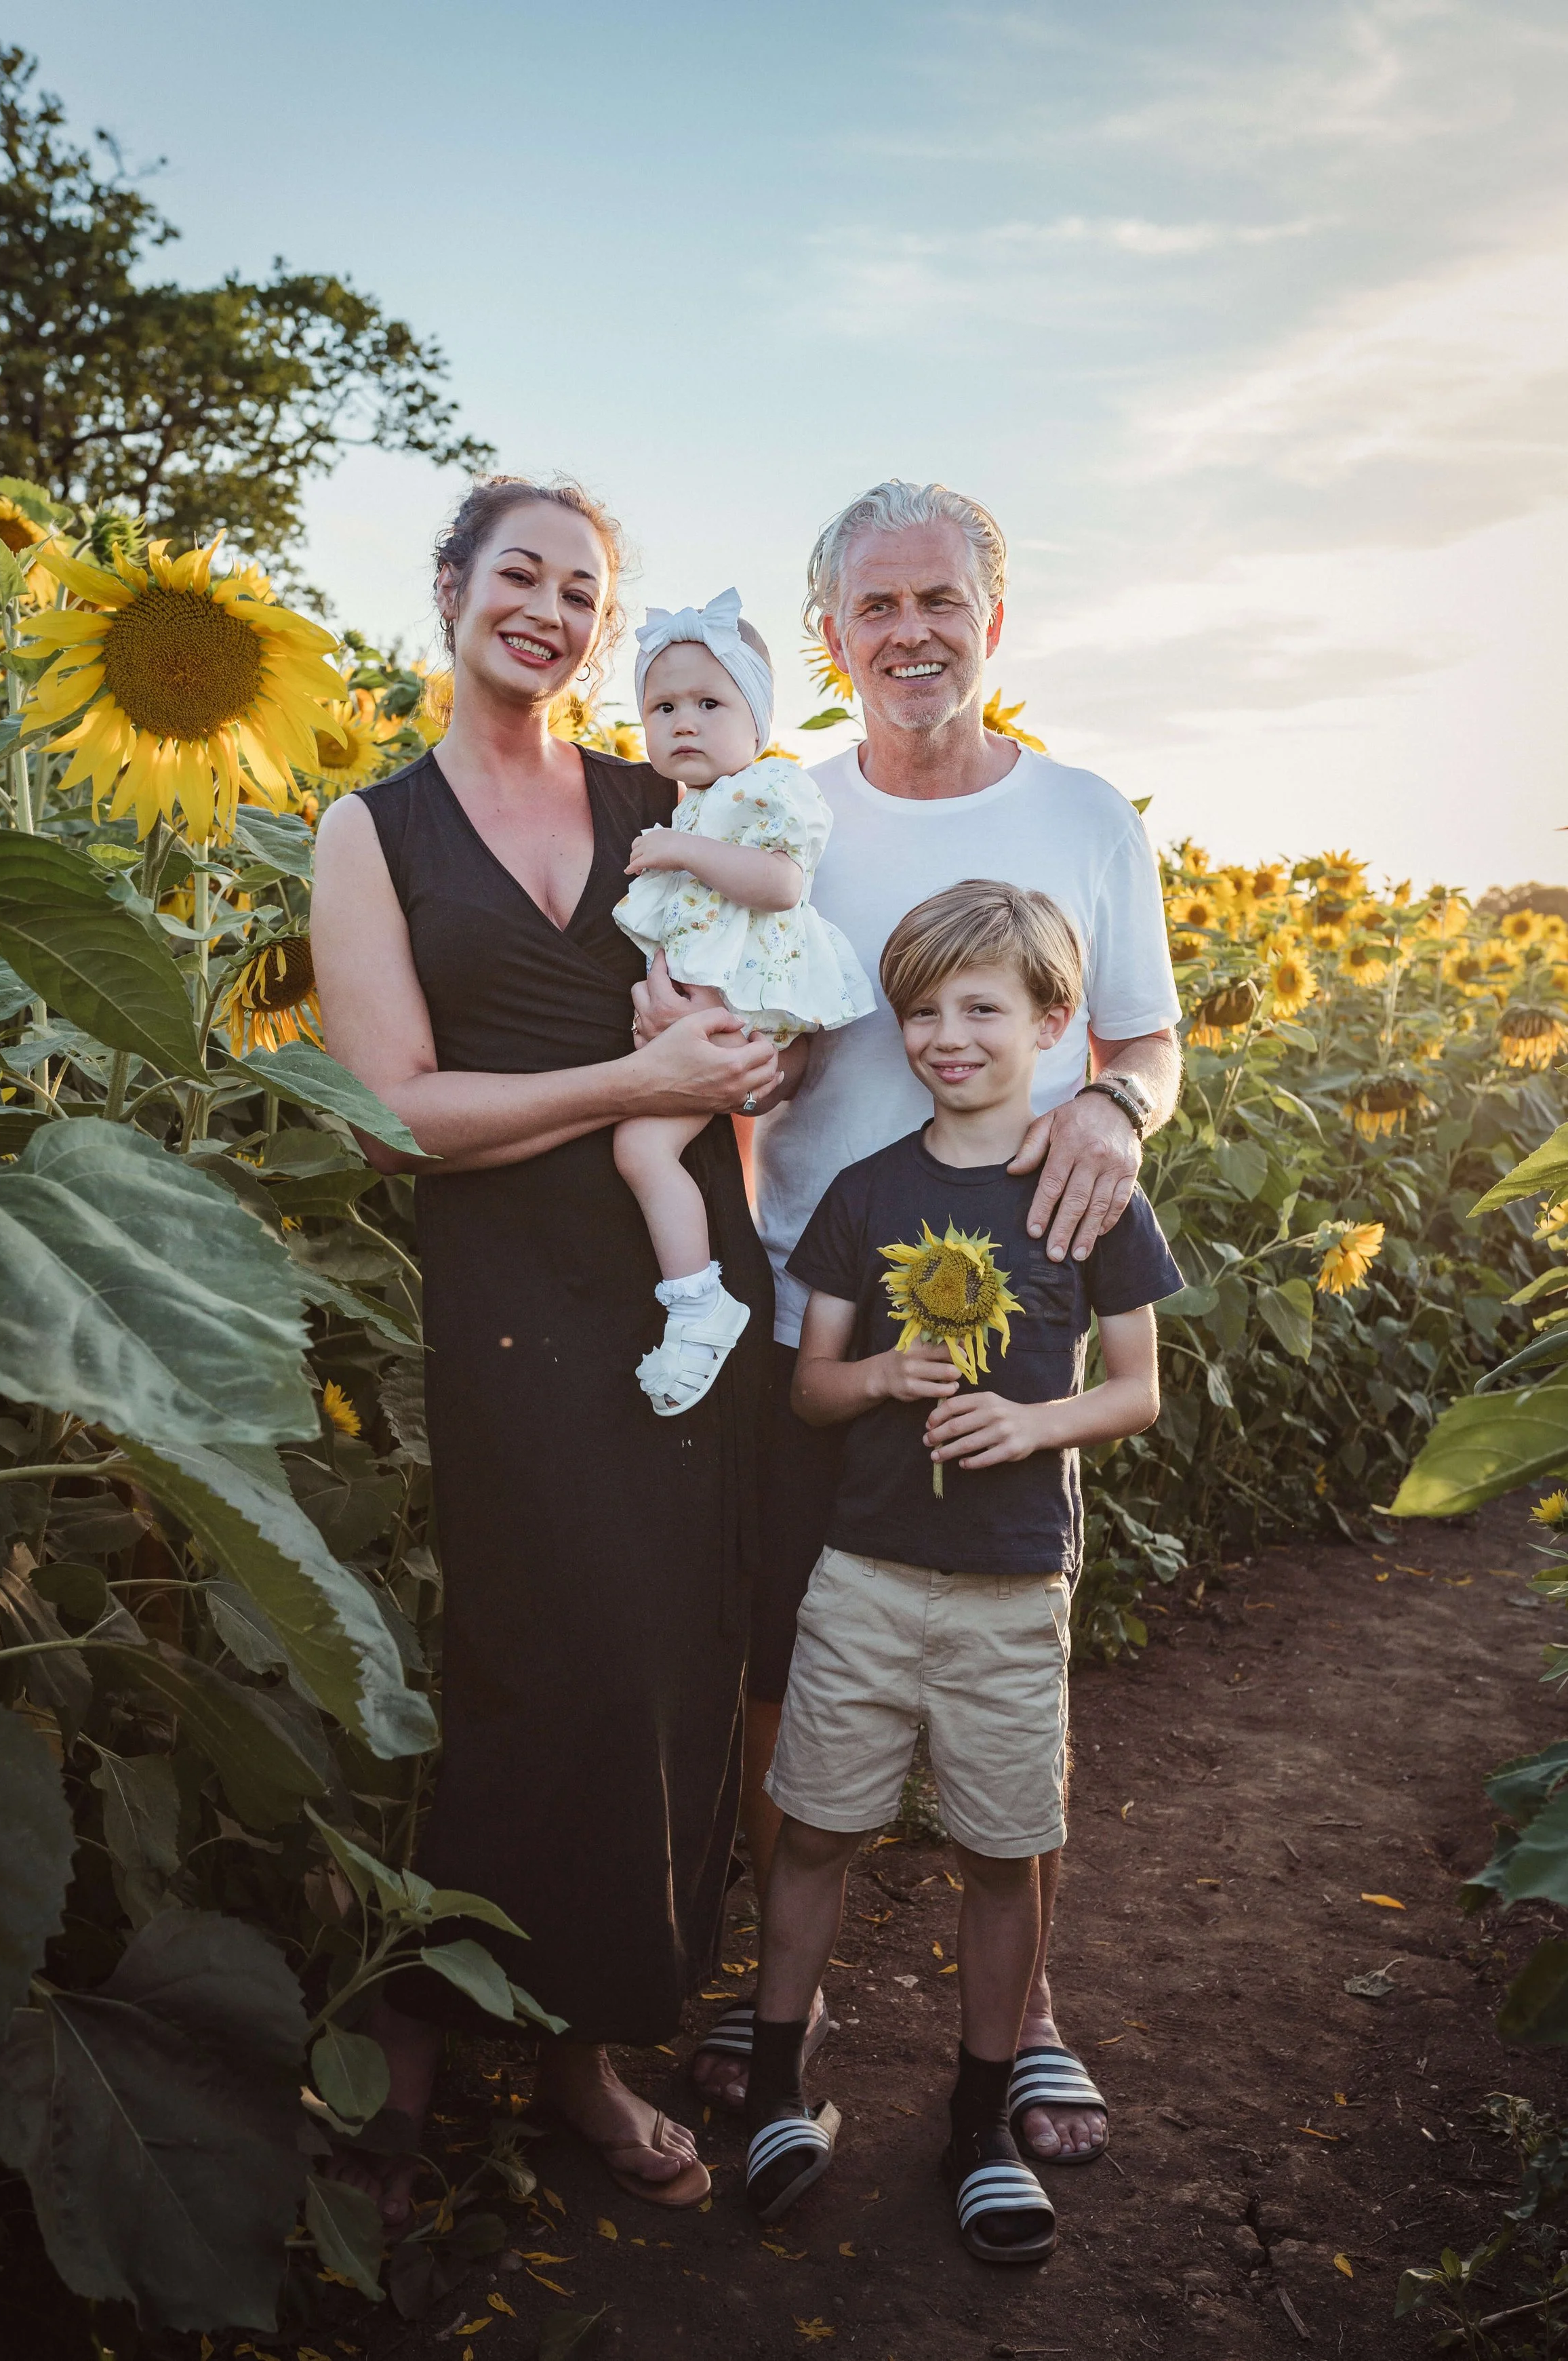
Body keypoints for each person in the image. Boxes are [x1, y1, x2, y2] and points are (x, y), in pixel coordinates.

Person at [665, 481, 1182, 2164]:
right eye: (874, 607)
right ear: (829, 638)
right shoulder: (788, 814)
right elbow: (724, 1023)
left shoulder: (1086, 813)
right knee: (786, 1662)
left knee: (1008, 1659)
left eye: (939, 600)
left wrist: (1115, 1113)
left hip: (1025, 1317)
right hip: (811, 1286)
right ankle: (774, 1998)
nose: (909, 633)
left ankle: (1025, 2025)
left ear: (993, 619)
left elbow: (1144, 1042)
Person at [310, 475, 779, 2223]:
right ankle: (419, 2044)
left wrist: (735, 1066)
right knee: (525, 1662)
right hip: (508, 1288)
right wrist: (630, 1084)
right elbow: (391, 1116)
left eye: (585, 591)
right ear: (449, 590)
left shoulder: (661, 795)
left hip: (685, 1283)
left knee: (669, 1663)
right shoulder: (375, 830)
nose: (554, 613)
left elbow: (763, 1002)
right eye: (522, 575)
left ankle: (589, 2049)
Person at [743, 879, 1182, 2261]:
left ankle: (975, 2123)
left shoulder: (1087, 1198)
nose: (946, 1035)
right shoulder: (866, 1194)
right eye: (921, 1010)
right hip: (864, 1575)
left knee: (1002, 1856)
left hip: (1007, 1586)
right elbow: (812, 1387)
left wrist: (1026, 1419)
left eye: (981, 1008)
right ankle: (771, 2089)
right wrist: (878, 1370)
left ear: (1056, 1024)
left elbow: (1134, 1390)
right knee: (813, 1829)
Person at [614, 588, 872, 1414]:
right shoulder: (692, 805)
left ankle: (698, 1304)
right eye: (662, 706)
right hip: (711, 1013)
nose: (683, 721)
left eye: (708, 703)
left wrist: (681, 850)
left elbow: (780, 883)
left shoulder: (768, 791)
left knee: (643, 1151)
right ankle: (695, 1294)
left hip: (746, 1008)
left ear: (757, 723)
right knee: (647, 1150)